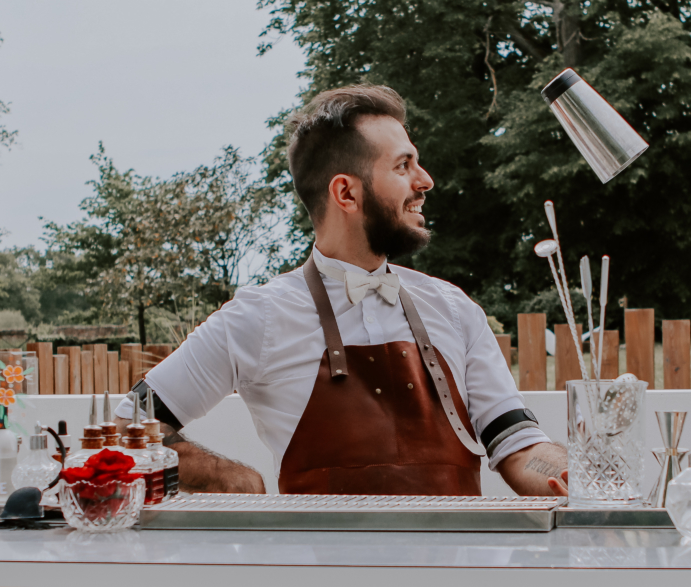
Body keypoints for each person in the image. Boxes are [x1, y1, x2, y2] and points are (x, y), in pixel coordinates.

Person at [113, 84, 568, 496]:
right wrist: (225, 475)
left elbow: (520, 446)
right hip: (322, 582)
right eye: (403, 165)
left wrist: (575, 475)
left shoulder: (453, 309)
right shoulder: (259, 315)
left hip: (456, 580)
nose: (425, 181)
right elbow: (125, 429)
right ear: (346, 194)